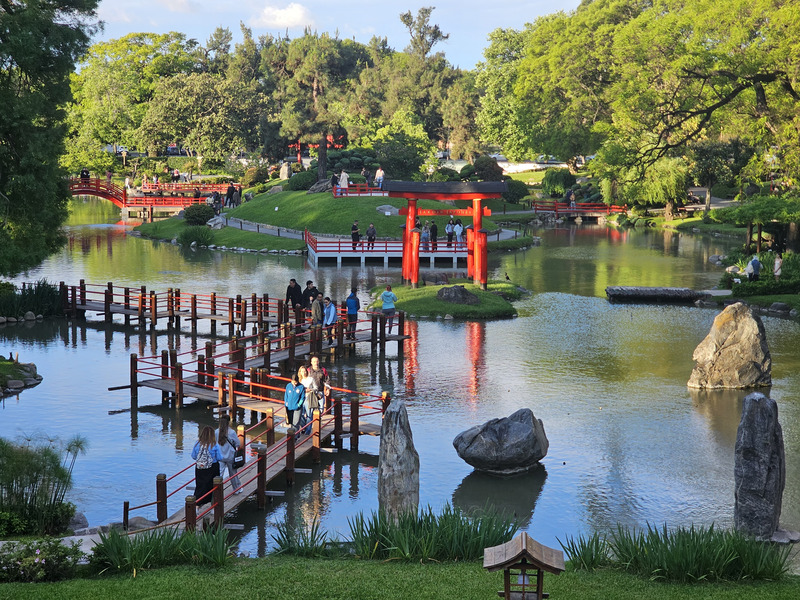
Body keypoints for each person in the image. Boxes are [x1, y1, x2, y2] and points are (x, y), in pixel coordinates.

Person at [191, 426, 222, 506]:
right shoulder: (214, 445)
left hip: (200, 468)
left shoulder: (197, 443)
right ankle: (213, 505)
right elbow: (219, 457)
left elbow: (193, 456)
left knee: (200, 485)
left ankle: (197, 505)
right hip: (213, 467)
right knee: (213, 487)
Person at [217, 416, 242, 493]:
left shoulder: (216, 432)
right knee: (233, 474)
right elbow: (238, 444)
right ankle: (236, 489)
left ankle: (216, 492)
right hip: (230, 456)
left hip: (220, 456)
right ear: (228, 422)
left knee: (219, 475)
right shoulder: (231, 432)